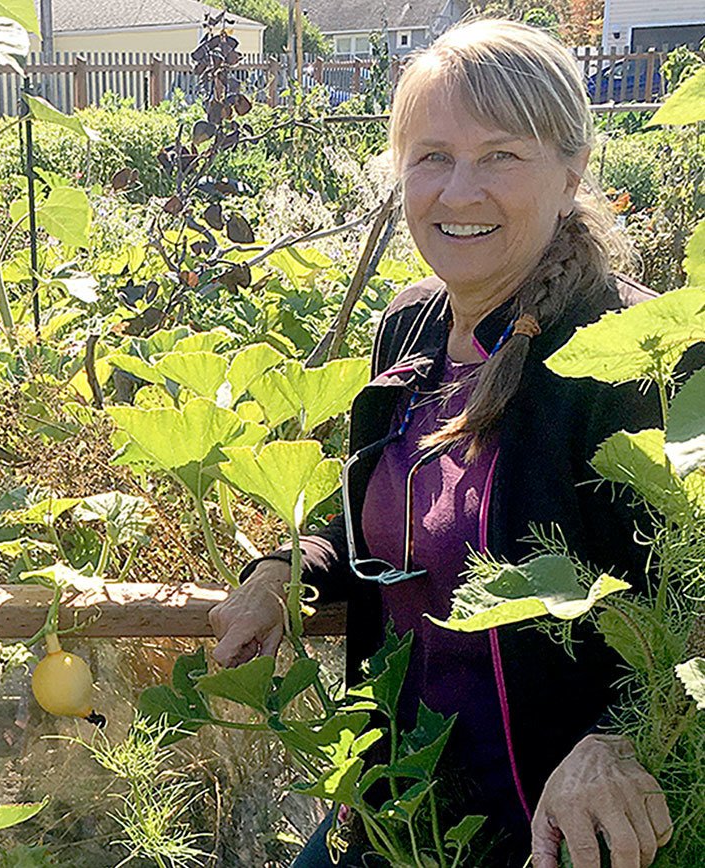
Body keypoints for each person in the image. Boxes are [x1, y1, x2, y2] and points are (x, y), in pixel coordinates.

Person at [209, 20, 684, 868]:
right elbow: (381, 513)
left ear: (572, 170)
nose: (459, 191)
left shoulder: (636, 353)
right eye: (431, 156)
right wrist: (284, 568)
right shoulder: (412, 322)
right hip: (405, 810)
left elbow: (687, 597)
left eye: (501, 155)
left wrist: (618, 739)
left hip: (557, 832)